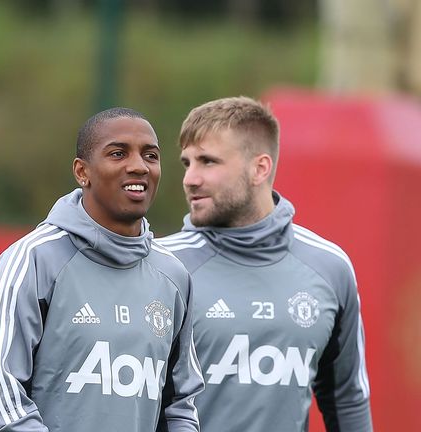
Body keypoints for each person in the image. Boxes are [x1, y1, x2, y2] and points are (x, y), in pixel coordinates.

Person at [0, 107, 204, 432]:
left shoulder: (173, 276)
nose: (138, 166)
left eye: (150, 155)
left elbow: (179, 406)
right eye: (118, 153)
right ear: (82, 172)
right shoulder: (33, 260)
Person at [156, 96, 373, 431]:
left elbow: (346, 399)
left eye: (208, 162)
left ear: (260, 168)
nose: (190, 178)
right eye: (187, 163)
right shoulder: (161, 267)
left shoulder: (330, 268)